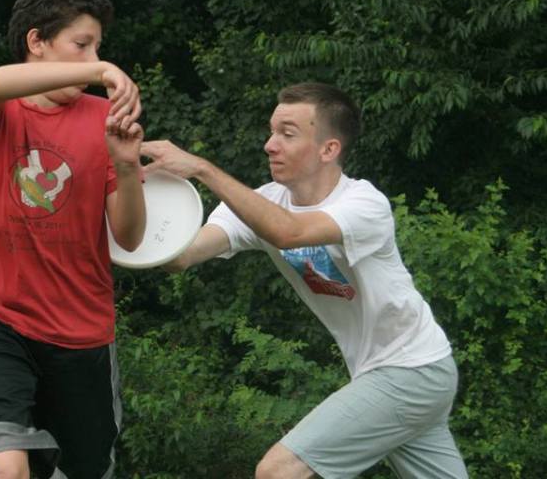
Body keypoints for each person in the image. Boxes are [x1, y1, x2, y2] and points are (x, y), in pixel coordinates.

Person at [140, 82, 468, 479]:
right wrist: (128, 190)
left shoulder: (364, 205)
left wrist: (202, 168)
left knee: (277, 472)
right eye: (271, 131)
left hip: (410, 369)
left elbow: (289, 232)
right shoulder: (262, 204)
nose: (270, 145)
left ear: (329, 149)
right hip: (410, 371)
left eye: (287, 134)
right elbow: (179, 257)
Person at [0, 0, 146, 479]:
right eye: (82, 45)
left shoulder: (104, 119)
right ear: (36, 42)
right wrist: (103, 70)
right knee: (3, 468)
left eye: (99, 49)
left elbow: (129, 237)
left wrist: (127, 166)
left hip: (83, 331)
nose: (94, 60)